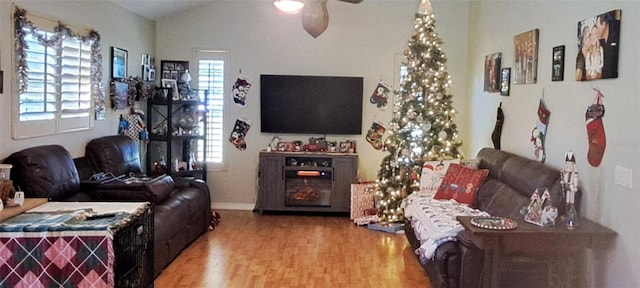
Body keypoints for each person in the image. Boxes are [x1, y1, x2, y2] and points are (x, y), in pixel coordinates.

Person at [595, 11, 620, 79]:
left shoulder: (617, 30)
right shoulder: (600, 42)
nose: (596, 31)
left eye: (597, 27)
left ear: (604, 24)